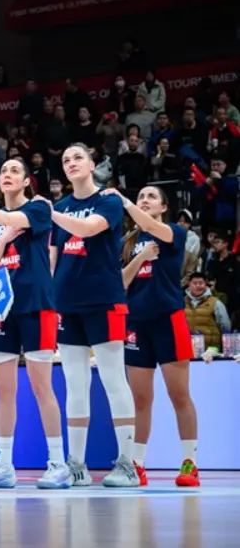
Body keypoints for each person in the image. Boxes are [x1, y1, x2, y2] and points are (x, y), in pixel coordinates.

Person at [0, 158, 69, 490]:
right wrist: (3, 239)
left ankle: (58, 463)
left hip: (36, 306)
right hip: (1, 311)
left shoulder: (38, 209)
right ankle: (3, 464)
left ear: (26, 181)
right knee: (4, 391)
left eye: (14, 172)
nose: (7, 175)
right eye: (3, 171)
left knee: (41, 387)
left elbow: (10, 218)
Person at [50, 144, 139, 487]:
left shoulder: (109, 201)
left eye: (77, 158)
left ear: (91, 164)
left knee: (114, 379)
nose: (71, 163)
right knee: (75, 385)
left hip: (103, 300)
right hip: (67, 304)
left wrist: (50, 214)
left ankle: (127, 464)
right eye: (65, 160)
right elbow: (53, 258)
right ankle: (77, 466)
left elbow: (87, 230)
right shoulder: (61, 207)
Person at [114, 185, 199, 487]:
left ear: (163, 207)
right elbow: (120, 283)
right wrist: (140, 258)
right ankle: (137, 465)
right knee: (140, 399)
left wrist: (123, 202)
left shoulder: (172, 232)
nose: (144, 200)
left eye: (151, 197)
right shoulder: (129, 242)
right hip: (136, 323)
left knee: (179, 396)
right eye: (140, 197)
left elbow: (149, 225)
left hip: (168, 319)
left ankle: (190, 463)